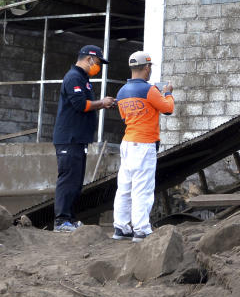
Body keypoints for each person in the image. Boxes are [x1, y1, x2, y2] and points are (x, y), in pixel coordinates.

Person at [52, 45, 116, 232]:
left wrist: (102, 104)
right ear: (89, 59)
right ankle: (61, 220)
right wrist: (102, 103)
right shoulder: (73, 77)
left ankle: (69, 219)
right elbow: (80, 104)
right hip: (69, 138)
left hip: (78, 139)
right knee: (68, 179)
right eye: (97, 63)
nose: (98, 67)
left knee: (76, 181)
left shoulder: (83, 79)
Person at [112, 51, 174, 242]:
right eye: (150, 67)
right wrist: (169, 93)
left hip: (128, 142)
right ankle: (141, 229)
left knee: (124, 186)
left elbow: (125, 117)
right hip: (144, 144)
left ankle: (120, 227)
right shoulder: (149, 90)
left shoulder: (121, 92)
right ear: (147, 67)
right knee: (143, 187)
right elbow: (168, 109)